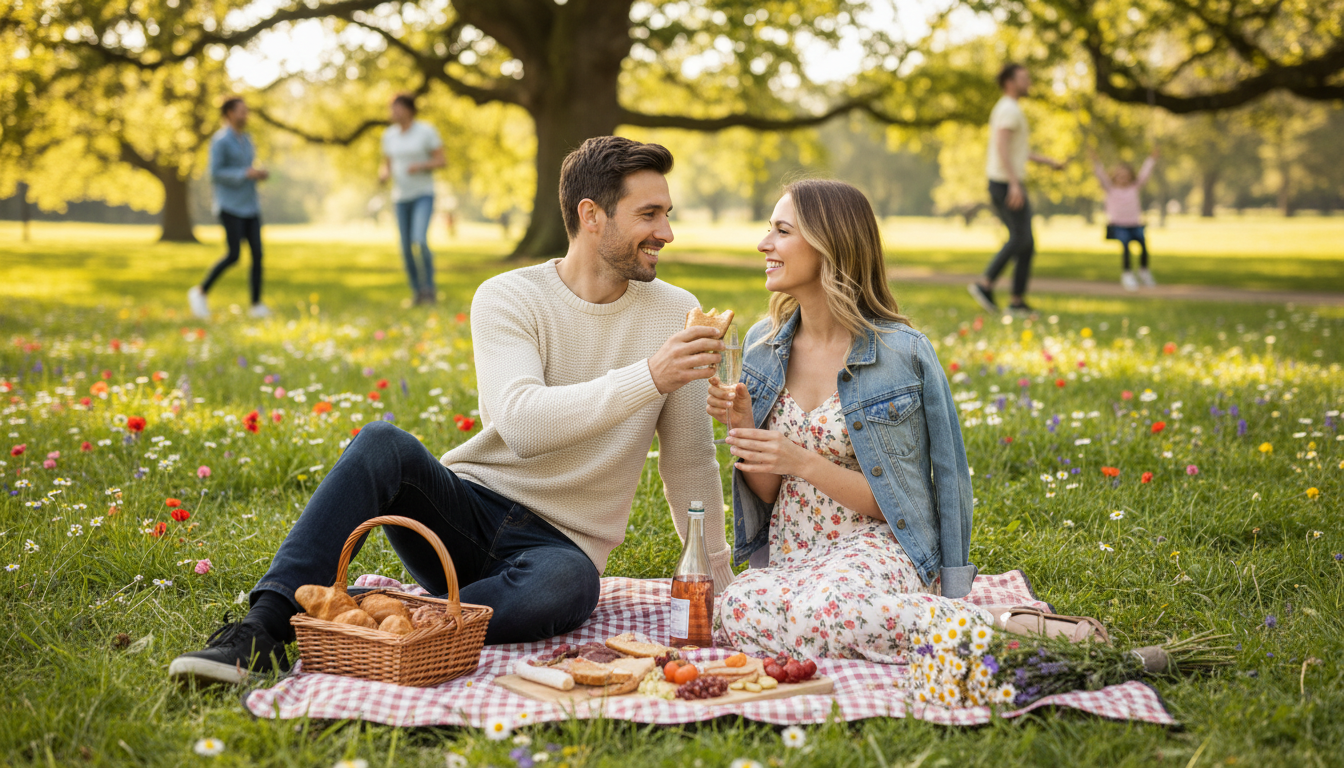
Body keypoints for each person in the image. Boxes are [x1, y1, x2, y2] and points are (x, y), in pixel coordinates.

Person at [169, 136, 737, 685]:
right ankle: (261, 630)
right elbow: (523, 426)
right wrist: (649, 375)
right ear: (592, 215)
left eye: (667, 213)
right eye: (650, 214)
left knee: (569, 588)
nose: (666, 231)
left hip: (560, 548)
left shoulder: (676, 313)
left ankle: (389, 613)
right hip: (466, 511)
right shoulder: (507, 296)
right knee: (381, 444)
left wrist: (720, 581)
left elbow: (689, 460)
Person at [709, 180, 1106, 661]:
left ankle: (1007, 627)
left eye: (782, 231)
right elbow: (768, 492)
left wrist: (804, 462)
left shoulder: (902, 353)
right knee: (734, 608)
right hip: (795, 552)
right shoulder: (762, 344)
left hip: (876, 547)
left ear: (828, 243)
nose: (764, 244)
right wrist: (744, 425)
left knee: (836, 611)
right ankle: (932, 626)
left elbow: (923, 491)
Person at [968, 63, 1064, 318]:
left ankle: (1016, 300)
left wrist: (1048, 162)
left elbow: (1014, 150)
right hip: (1004, 182)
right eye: (1024, 78)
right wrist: (1014, 183)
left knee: (1026, 242)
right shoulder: (1009, 109)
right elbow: (1001, 146)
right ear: (1010, 82)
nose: (1029, 82)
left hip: (1004, 181)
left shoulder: (1008, 108)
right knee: (1021, 239)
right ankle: (985, 284)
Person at [189, 97, 270, 320]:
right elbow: (214, 174)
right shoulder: (220, 141)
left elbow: (247, 169)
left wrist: (257, 174)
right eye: (241, 111)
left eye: (246, 111)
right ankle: (200, 292)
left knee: (258, 255)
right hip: (230, 207)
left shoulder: (247, 139)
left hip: (250, 206)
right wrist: (244, 174)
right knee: (233, 255)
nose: (245, 115)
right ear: (228, 114)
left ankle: (256, 305)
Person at [379, 93, 446, 305]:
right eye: (392, 108)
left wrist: (421, 166)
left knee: (420, 240)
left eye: (397, 107)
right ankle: (417, 292)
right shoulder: (389, 135)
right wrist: (383, 174)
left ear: (409, 109)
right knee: (405, 246)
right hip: (400, 197)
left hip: (423, 194)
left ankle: (430, 290)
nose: (393, 112)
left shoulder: (425, 131)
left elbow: (442, 160)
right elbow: (387, 163)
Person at [1091, 147, 1159, 290]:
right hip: (1117, 225)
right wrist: (1095, 161)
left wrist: (1151, 159)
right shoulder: (1110, 189)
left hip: (1135, 224)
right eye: (1120, 176)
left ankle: (1144, 271)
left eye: (1126, 176)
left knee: (1144, 245)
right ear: (1115, 177)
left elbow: (1145, 174)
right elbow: (1100, 175)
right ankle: (1127, 274)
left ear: (1131, 176)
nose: (1123, 178)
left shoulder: (1134, 187)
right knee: (1126, 245)